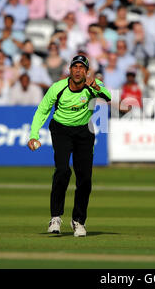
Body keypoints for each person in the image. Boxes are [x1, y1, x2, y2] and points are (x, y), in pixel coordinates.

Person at [27, 55, 111, 236]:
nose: (78, 70)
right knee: (63, 170)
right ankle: (55, 217)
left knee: (85, 178)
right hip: (61, 130)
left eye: (82, 68)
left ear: (87, 72)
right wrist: (34, 135)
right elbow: (42, 110)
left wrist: (96, 87)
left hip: (84, 132)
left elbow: (109, 97)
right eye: (75, 67)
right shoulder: (58, 88)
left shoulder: (93, 86)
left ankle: (78, 221)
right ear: (70, 70)